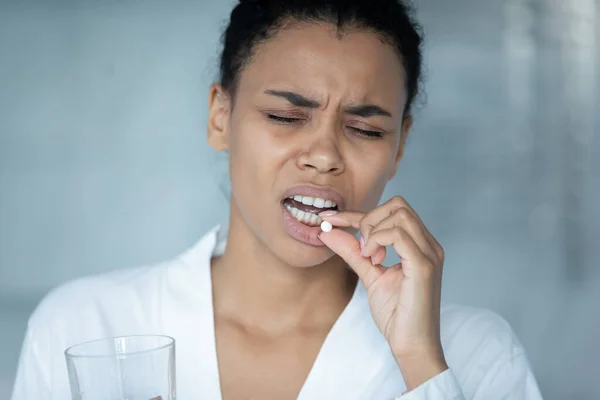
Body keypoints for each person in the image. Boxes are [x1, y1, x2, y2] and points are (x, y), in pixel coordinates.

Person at [11, 0, 544, 399]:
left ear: (400, 145)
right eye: (286, 117)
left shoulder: (475, 353)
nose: (323, 155)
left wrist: (420, 361)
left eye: (364, 128)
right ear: (221, 115)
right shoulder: (84, 325)